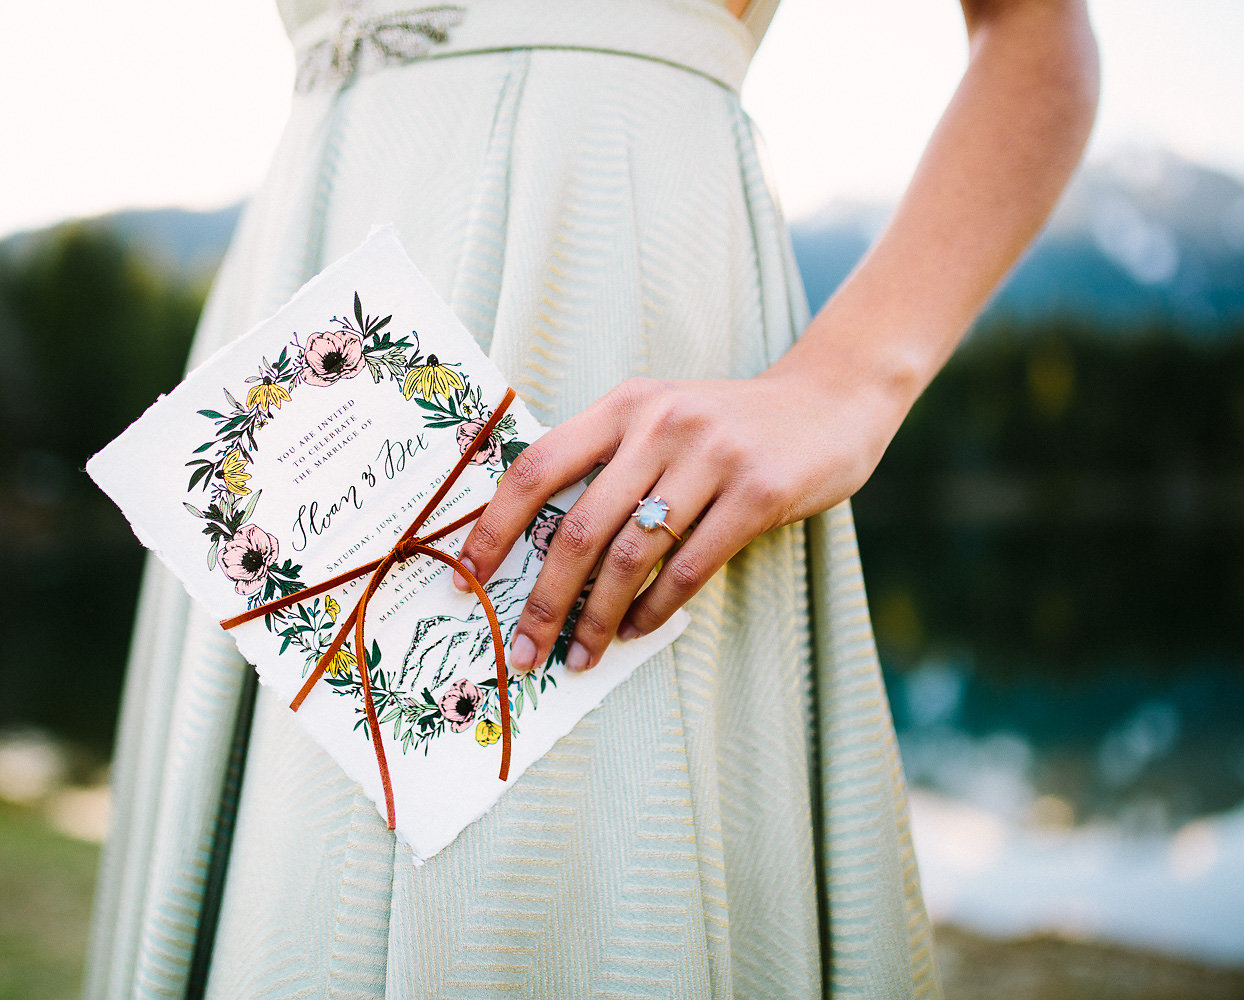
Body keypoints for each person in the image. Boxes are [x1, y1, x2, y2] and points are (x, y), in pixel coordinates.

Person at [83, 0, 1098, 997]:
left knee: (583, 879)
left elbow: (1034, 24)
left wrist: (848, 381)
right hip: (295, 308)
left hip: (603, 289)